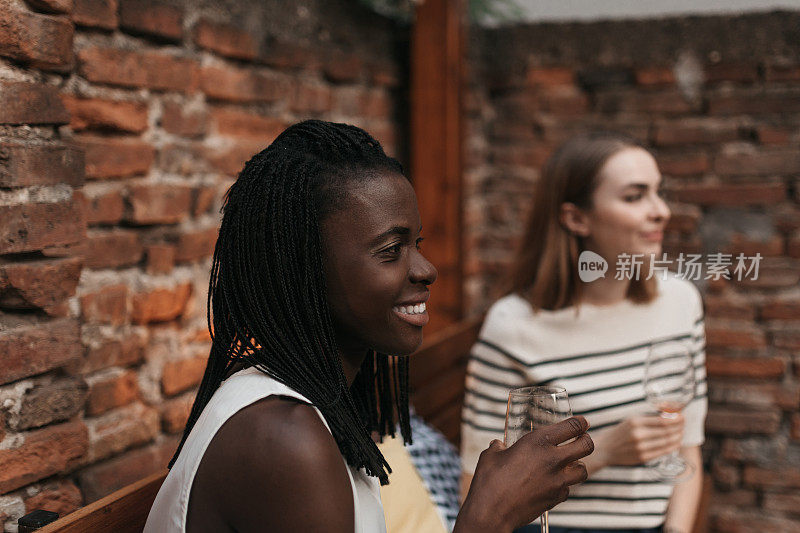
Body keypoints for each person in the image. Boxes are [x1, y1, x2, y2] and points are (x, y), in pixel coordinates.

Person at [144, 120, 593, 533]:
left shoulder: (314, 405)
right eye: (390, 249)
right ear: (302, 271)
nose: (426, 269)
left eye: (415, 243)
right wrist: (488, 517)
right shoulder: (282, 439)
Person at [460, 133, 708, 533]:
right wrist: (605, 450)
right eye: (634, 197)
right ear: (576, 218)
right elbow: (476, 488)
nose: (661, 210)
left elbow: (689, 448)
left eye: (658, 193)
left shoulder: (680, 302)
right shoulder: (512, 327)